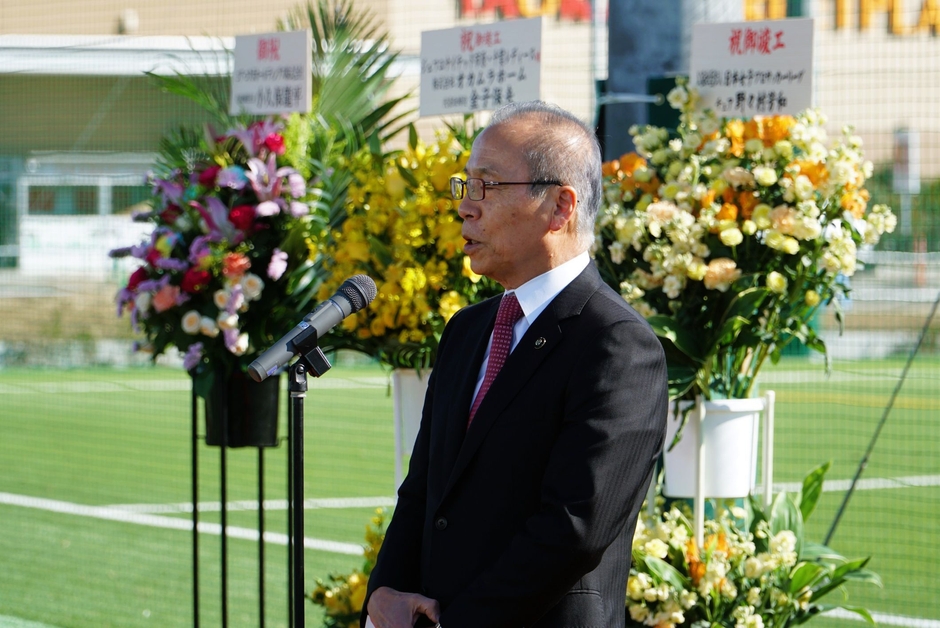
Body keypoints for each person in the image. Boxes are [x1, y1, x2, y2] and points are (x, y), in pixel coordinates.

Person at [363, 101, 668, 628]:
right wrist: (384, 593)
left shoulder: (616, 344)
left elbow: (574, 528)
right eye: (465, 186)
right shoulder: (467, 330)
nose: (465, 207)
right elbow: (423, 492)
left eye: (486, 186)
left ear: (559, 207)